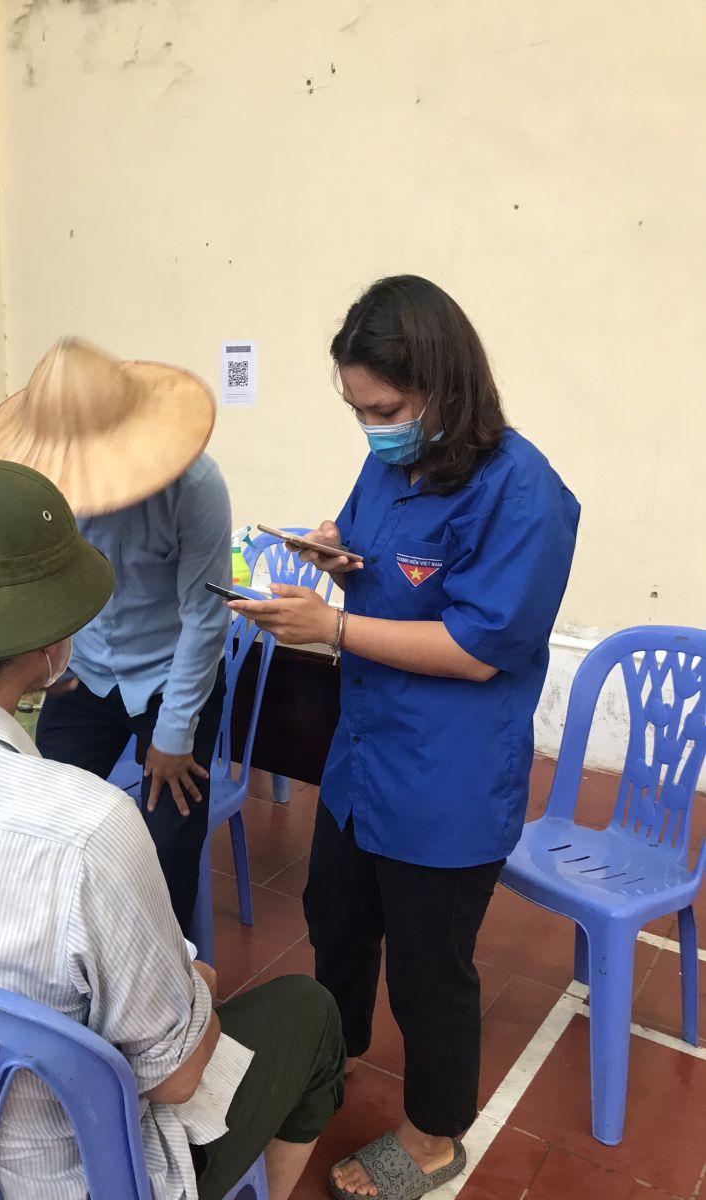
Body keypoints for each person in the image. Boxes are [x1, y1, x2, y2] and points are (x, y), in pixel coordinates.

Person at [0, 457, 345, 1200]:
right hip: (77, 1177)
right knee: (308, 1012)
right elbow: (176, 1077)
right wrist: (191, 981)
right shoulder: (89, 828)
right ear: (53, 648)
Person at [229, 276, 580, 1200]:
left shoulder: (524, 493)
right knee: (336, 922)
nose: (371, 430)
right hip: (364, 757)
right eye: (356, 411)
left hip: (446, 775)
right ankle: (328, 1056)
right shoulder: (392, 465)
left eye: (383, 411)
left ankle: (433, 1135)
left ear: (443, 385)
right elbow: (379, 553)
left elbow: (478, 650)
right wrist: (336, 555)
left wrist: (334, 627)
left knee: (430, 969)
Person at [0, 338, 231, 935]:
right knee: (44, 821)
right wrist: (43, 662)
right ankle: (64, 957)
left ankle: (171, 968)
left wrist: (174, 733)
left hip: (170, 677)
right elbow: (37, 580)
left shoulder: (195, 487)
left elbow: (205, 616)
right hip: (83, 672)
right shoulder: (44, 482)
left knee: (167, 843)